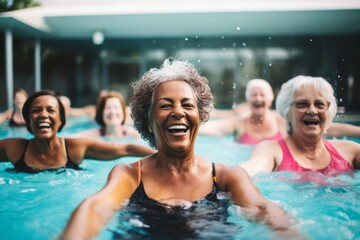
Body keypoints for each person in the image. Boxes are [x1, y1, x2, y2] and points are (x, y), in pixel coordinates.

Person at [61, 59, 298, 239]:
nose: (178, 112)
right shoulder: (129, 176)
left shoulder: (227, 177)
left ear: (199, 116)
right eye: (165, 105)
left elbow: (262, 208)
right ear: (148, 122)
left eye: (187, 104)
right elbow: (96, 207)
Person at [0, 90, 155, 173]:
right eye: (36, 110)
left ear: (61, 119)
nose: (43, 115)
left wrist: (162, 155)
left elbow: (125, 148)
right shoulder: (13, 148)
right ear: (27, 119)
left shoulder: (74, 148)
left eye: (50, 110)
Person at [240, 75, 360, 176]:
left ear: (328, 111)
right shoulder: (272, 151)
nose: (312, 111)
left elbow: (335, 129)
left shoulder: (351, 152)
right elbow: (248, 170)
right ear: (287, 112)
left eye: (320, 104)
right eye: (302, 104)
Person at [199, 79, 286, 144]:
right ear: (248, 100)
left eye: (262, 95)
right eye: (254, 95)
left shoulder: (282, 120)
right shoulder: (239, 122)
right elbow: (212, 127)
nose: (258, 98)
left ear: (271, 100)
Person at [73, 91, 139, 138]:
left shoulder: (135, 136)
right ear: (101, 113)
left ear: (123, 112)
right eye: (108, 108)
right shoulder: (92, 135)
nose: (112, 111)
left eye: (116, 107)